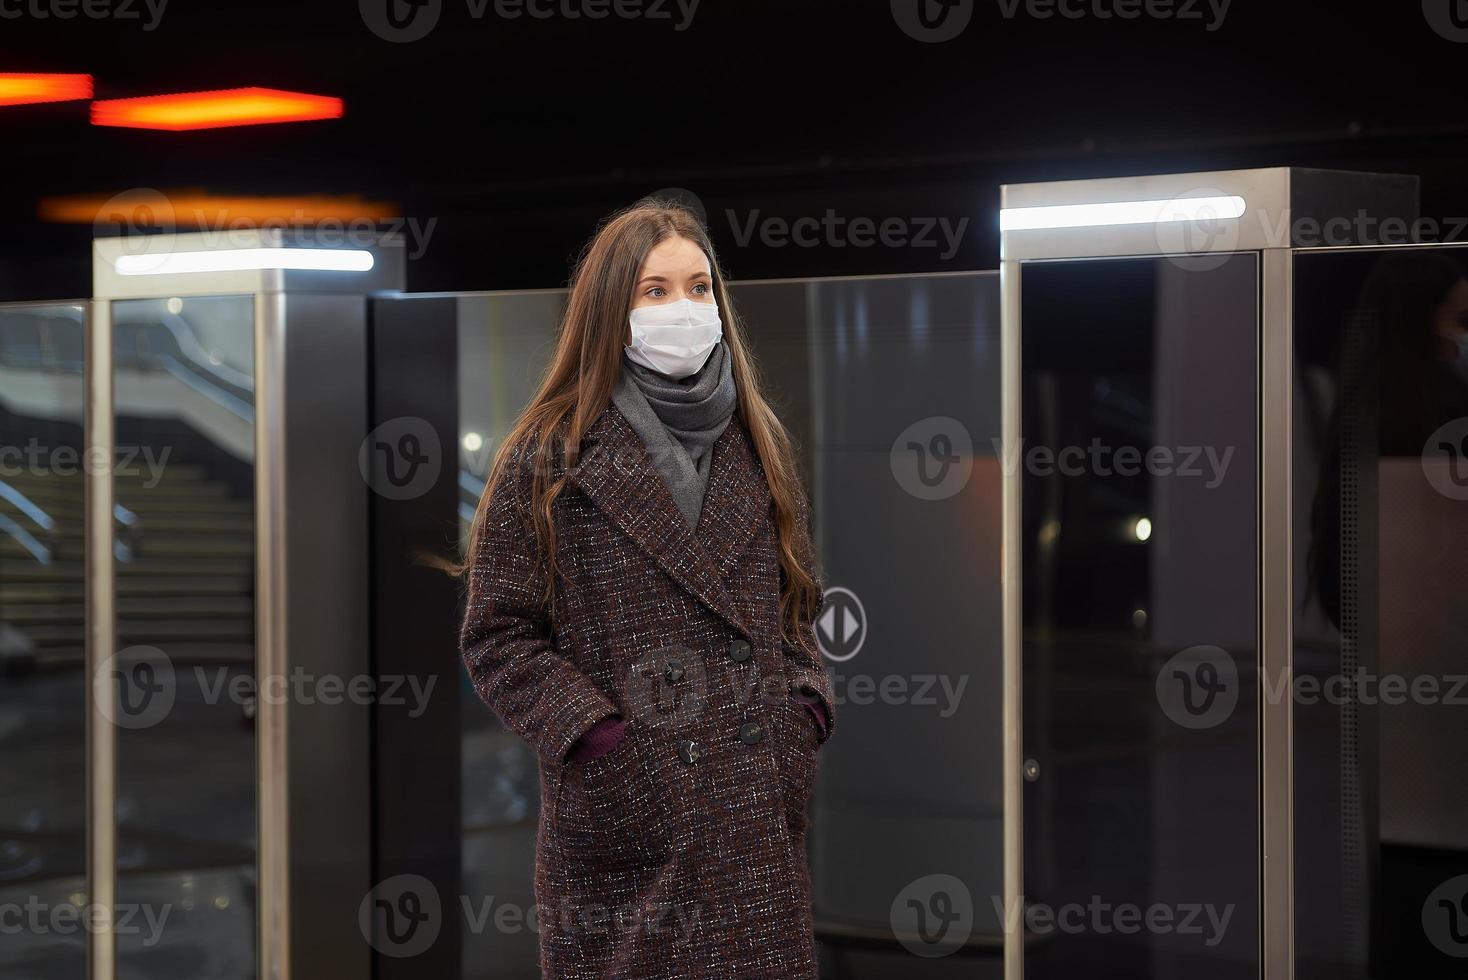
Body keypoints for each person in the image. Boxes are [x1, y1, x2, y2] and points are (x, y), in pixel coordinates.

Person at [458, 200, 835, 978]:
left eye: (700, 288)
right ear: (612, 309)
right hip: (627, 836)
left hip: (752, 822)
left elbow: (794, 604)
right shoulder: (549, 452)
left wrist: (802, 710)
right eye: (655, 290)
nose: (685, 309)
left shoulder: (757, 438)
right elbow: (497, 634)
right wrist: (598, 738)